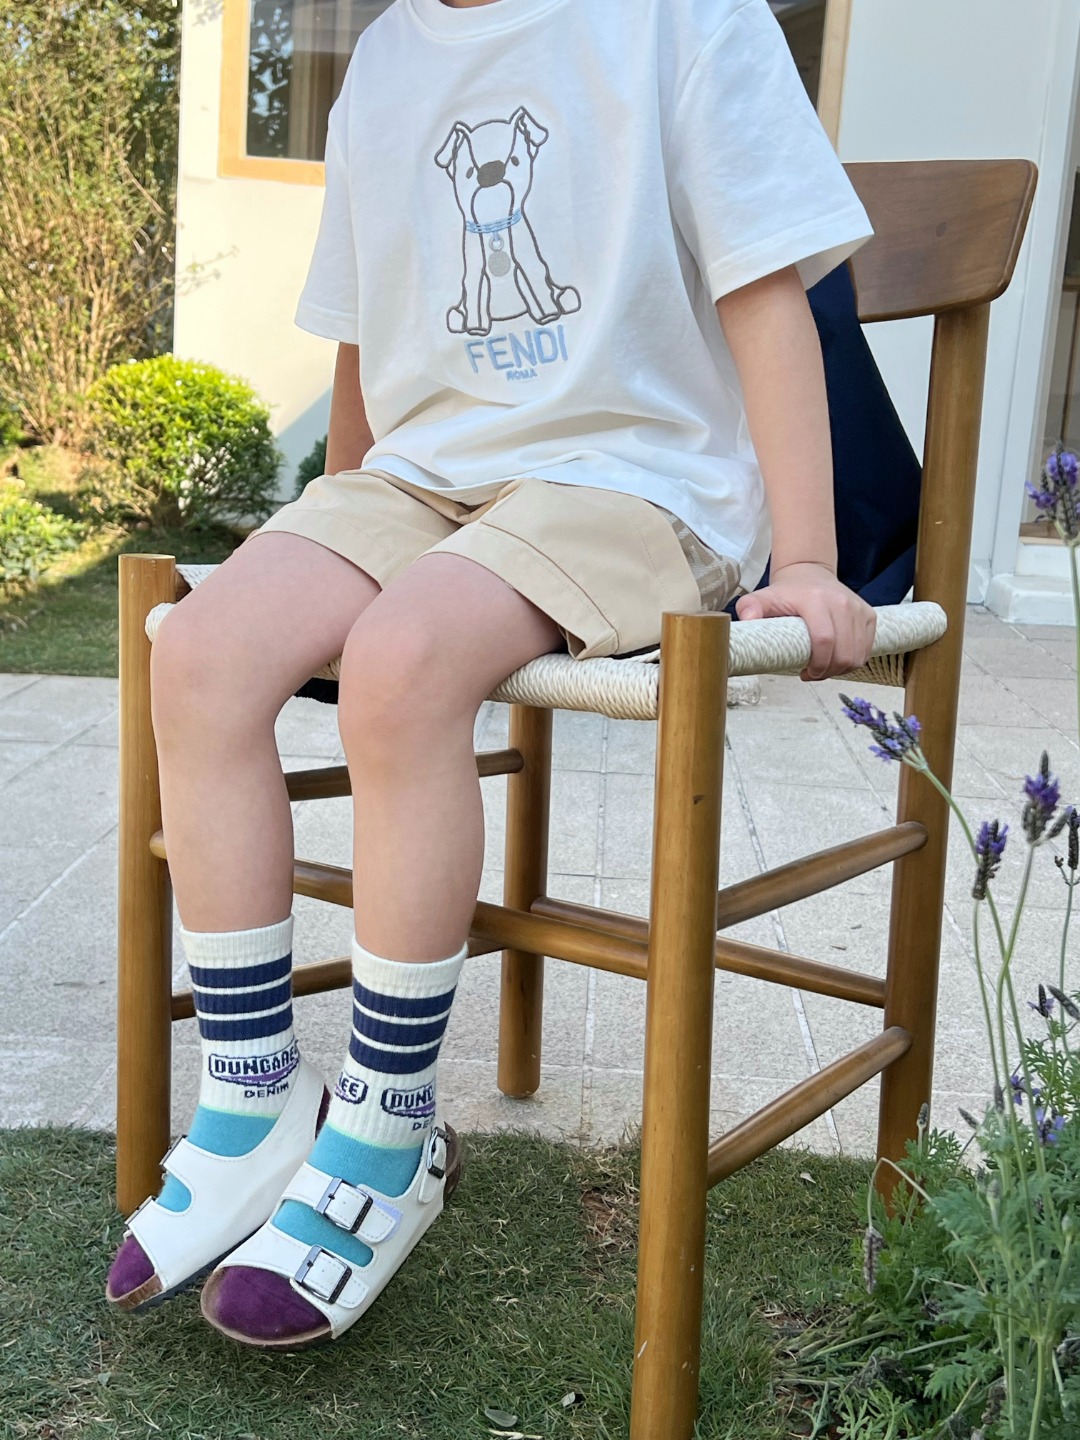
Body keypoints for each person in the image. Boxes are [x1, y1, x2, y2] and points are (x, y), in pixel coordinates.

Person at [105, 0, 878, 1349]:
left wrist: (808, 557)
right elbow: (363, 338)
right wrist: (329, 534)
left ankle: (388, 1128)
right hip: (424, 481)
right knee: (208, 649)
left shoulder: (684, 19)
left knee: (405, 659)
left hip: (636, 482)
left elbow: (768, 289)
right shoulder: (384, 61)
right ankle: (251, 1098)